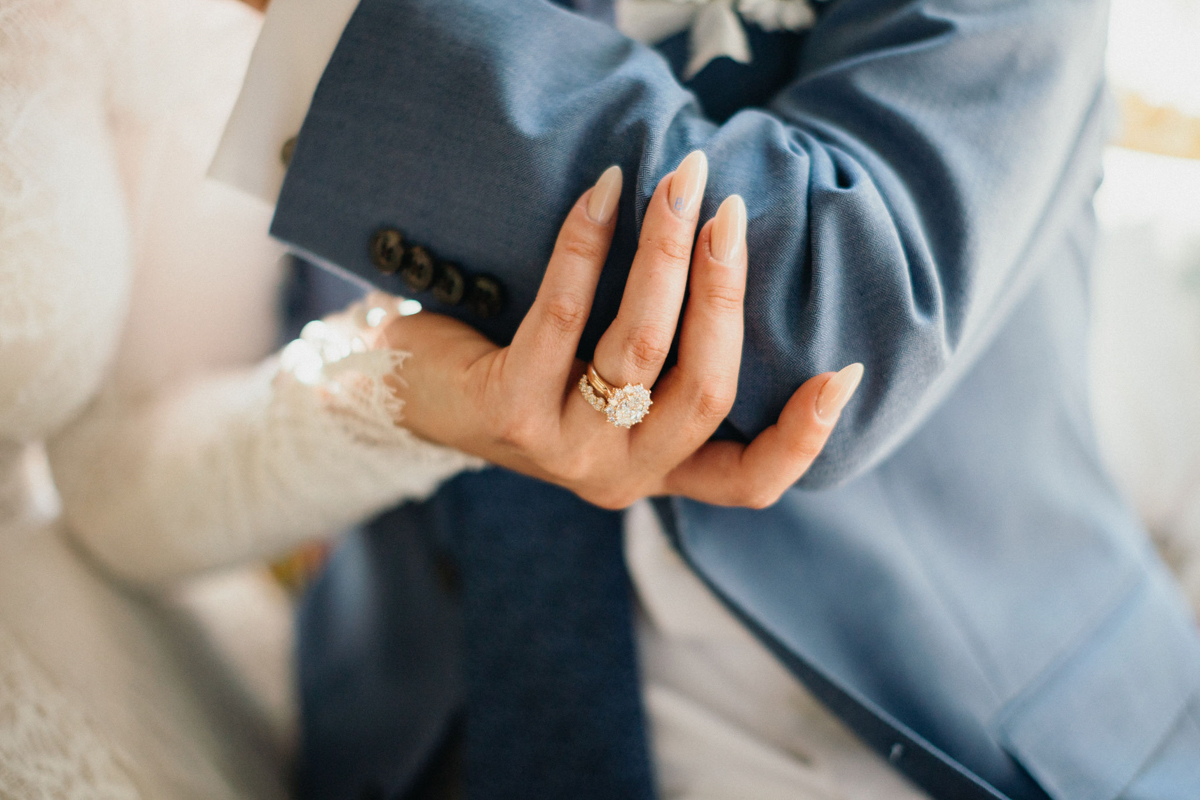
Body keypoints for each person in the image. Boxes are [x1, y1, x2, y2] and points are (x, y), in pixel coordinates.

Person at [213, 0, 1200, 798]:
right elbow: (315, 346)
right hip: (434, 732)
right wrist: (380, 377)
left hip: (964, 735)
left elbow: (826, 315)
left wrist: (349, 24)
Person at [0, 0, 850, 795]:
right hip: (408, 718)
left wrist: (385, 392)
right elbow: (112, 474)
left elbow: (834, 302)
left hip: (841, 709)